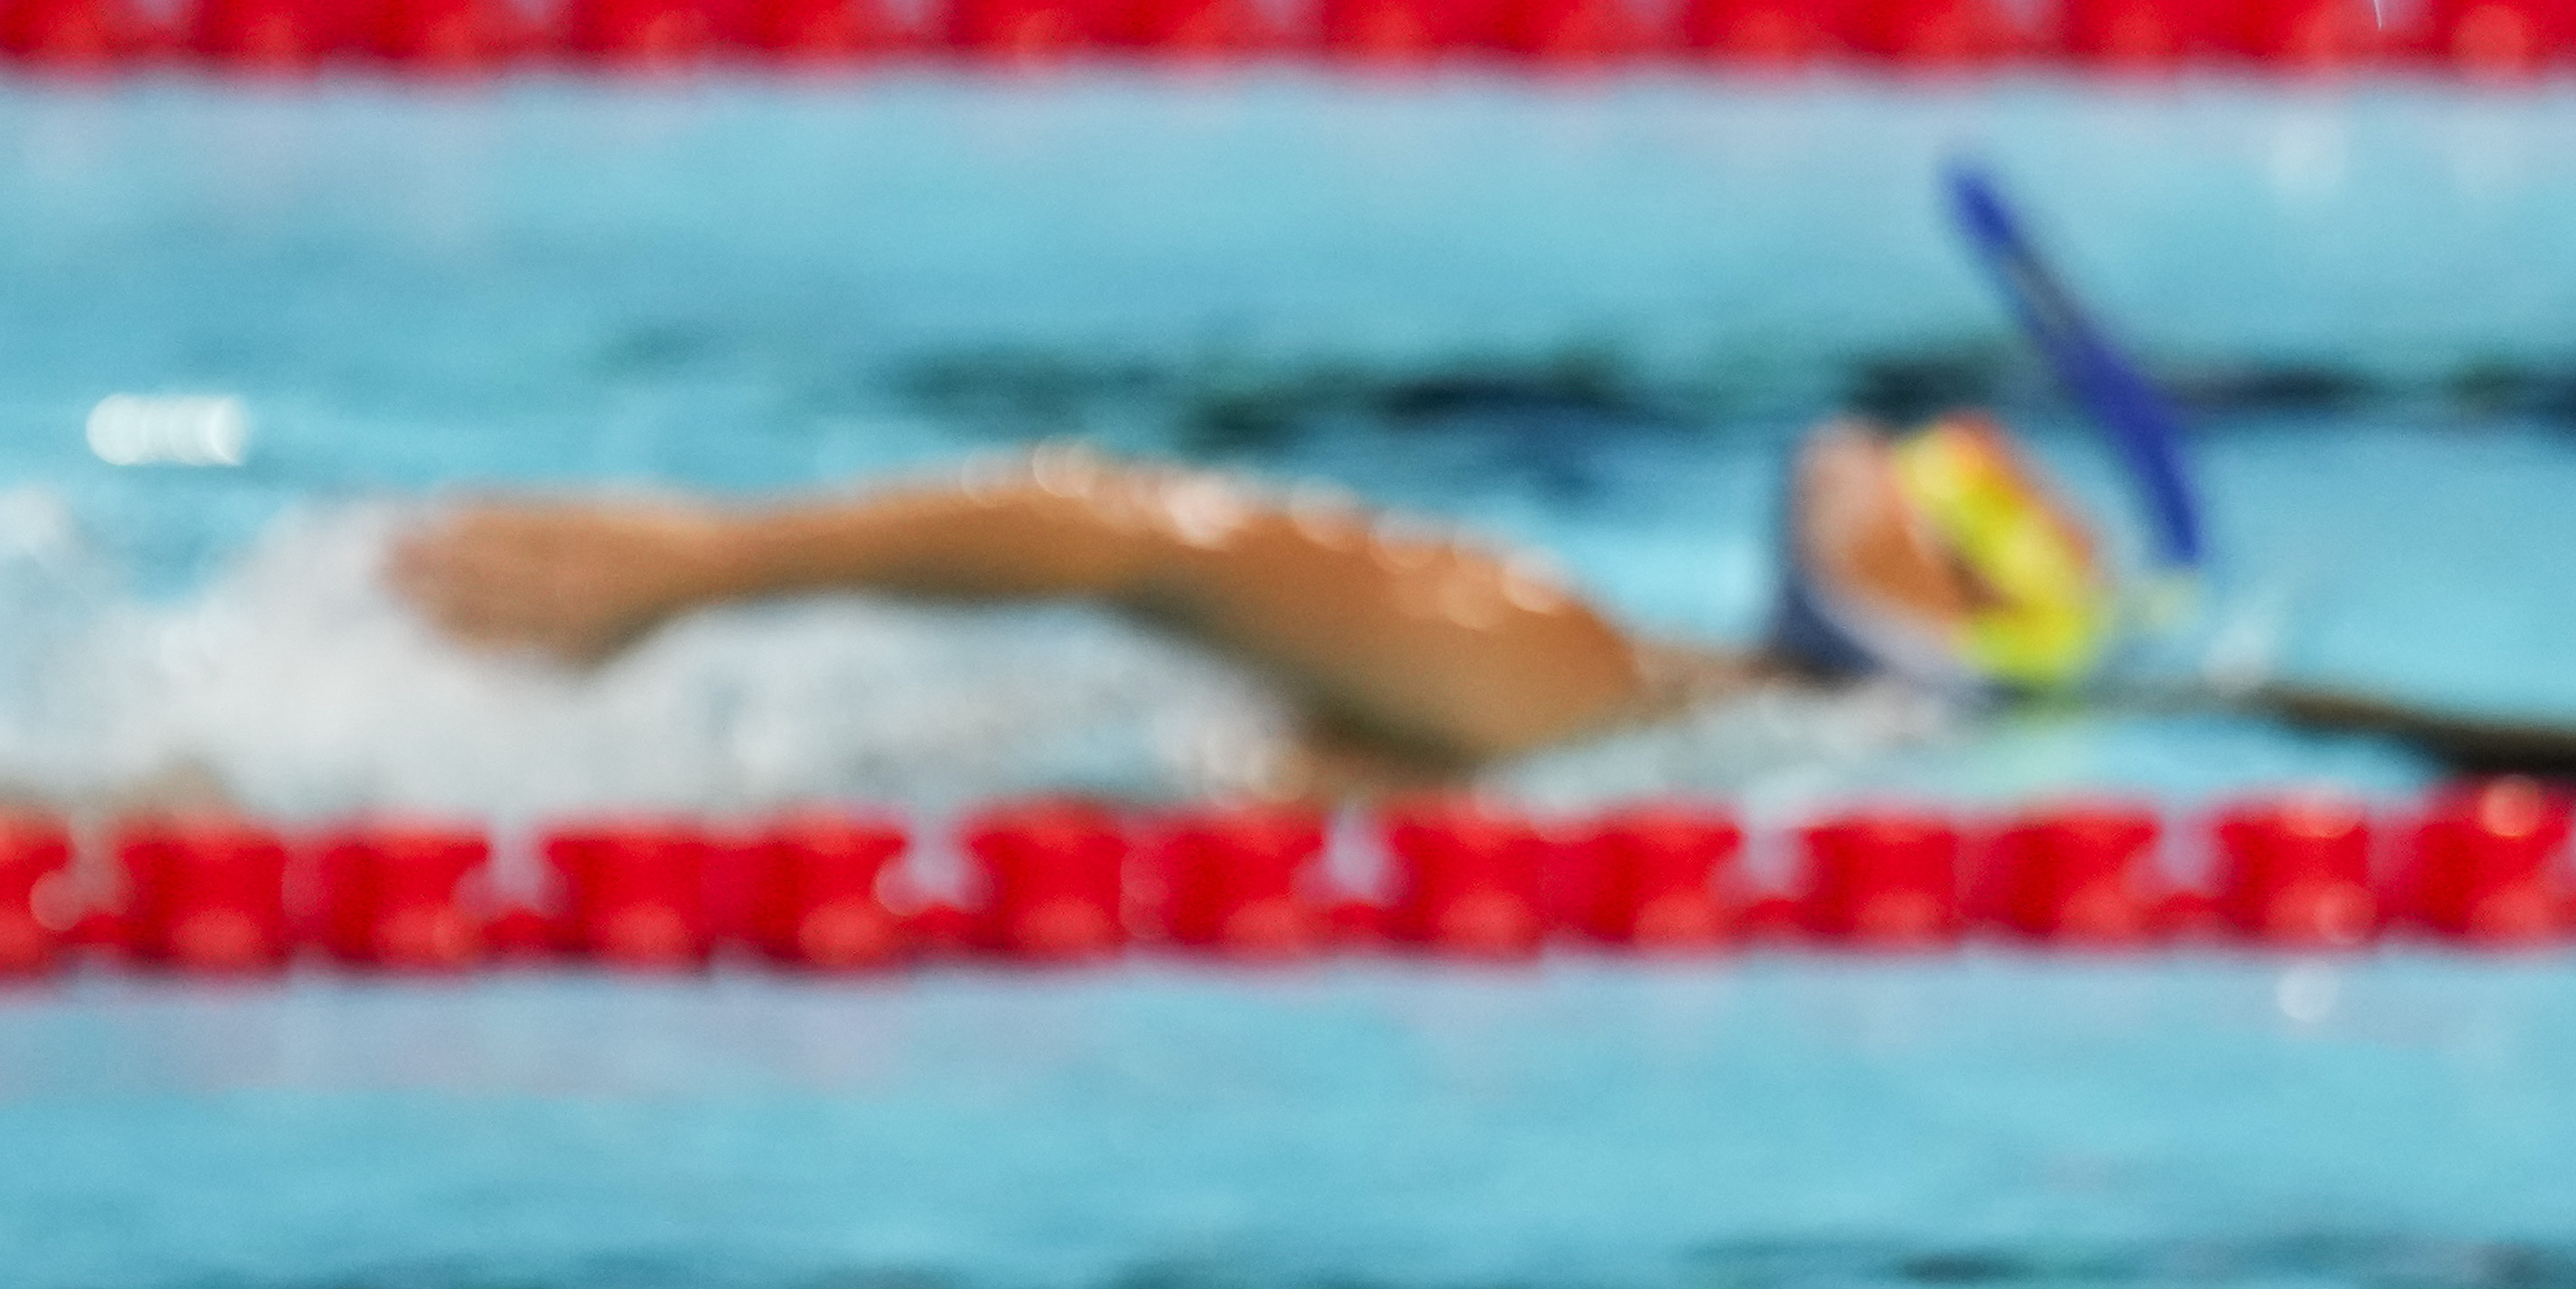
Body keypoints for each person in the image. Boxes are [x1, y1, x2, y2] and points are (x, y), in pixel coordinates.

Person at [390, 414, 2127, 800]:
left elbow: (1127, 535)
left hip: (594, 752)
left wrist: (706, 562)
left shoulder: (1534, 650)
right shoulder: (1628, 732)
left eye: (1971, 505)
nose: (1948, 452)